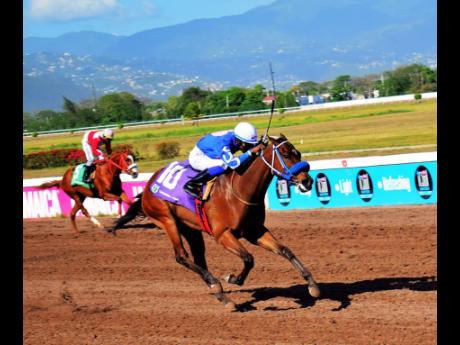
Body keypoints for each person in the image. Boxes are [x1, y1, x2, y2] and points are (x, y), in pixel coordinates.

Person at [183, 122, 266, 199]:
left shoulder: (238, 137)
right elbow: (232, 164)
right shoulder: (223, 143)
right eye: (246, 144)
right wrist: (251, 151)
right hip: (198, 157)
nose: (248, 146)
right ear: (237, 140)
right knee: (224, 165)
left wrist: (259, 143)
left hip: (212, 154)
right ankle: (191, 184)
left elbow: (251, 147)